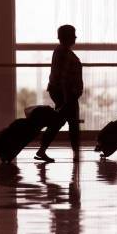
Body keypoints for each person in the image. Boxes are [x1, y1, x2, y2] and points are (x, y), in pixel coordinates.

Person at [35, 25, 83, 163]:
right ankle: (75, 153)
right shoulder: (64, 53)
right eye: (73, 34)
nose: (75, 37)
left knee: (58, 122)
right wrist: (68, 98)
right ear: (67, 37)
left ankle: (42, 150)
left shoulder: (60, 51)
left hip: (62, 94)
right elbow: (64, 78)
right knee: (72, 123)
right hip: (67, 95)